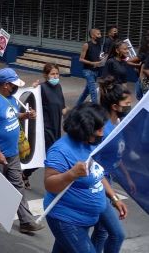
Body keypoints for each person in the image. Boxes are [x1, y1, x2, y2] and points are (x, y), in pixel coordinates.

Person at [44, 104, 127, 253]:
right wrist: (71, 174)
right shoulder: (60, 151)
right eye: (98, 129)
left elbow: (98, 174)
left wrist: (114, 198)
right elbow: (50, 184)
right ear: (84, 130)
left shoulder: (91, 143)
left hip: (88, 214)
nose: (102, 133)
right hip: (67, 220)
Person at [0, 68, 44, 234]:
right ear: (6, 85)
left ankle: (26, 221)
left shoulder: (11, 98)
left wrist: (25, 116)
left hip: (13, 152)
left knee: (17, 185)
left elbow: (12, 115)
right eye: (14, 85)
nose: (17, 87)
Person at [92, 78, 133, 253]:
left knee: (102, 231)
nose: (130, 106)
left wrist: (128, 177)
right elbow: (94, 164)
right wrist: (114, 197)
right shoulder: (103, 130)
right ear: (115, 106)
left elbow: (117, 156)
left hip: (107, 182)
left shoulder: (118, 125)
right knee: (115, 233)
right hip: (98, 184)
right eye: (127, 103)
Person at [23, 63, 68, 188]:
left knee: (46, 156)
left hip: (56, 128)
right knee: (49, 156)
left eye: (57, 74)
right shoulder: (41, 88)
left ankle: (25, 174)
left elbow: (63, 108)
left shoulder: (58, 87)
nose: (55, 76)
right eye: (52, 74)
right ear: (45, 75)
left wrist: (72, 119)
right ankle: (55, 182)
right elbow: (29, 101)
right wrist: (32, 89)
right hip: (45, 129)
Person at [77, 29, 105, 106]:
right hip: (87, 71)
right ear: (92, 35)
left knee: (87, 91)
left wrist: (101, 60)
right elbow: (81, 59)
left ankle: (77, 106)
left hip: (96, 71)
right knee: (93, 91)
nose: (100, 36)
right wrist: (92, 63)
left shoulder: (99, 45)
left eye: (100, 34)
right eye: (98, 34)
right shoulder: (87, 45)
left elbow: (97, 56)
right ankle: (95, 109)